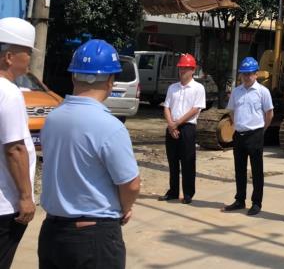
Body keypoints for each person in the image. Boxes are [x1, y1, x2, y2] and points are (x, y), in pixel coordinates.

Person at [38, 40, 141, 269]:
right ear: (111, 80)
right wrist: (125, 208)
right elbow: (131, 184)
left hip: (52, 233)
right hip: (93, 237)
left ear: (74, 77)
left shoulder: (52, 119)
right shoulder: (110, 126)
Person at [0, 18, 36, 269]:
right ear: (9, 57)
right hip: (4, 204)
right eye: (28, 52)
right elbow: (14, 148)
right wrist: (25, 197)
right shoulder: (9, 93)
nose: (30, 58)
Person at [222, 57, 273, 216]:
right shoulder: (236, 91)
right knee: (239, 169)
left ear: (256, 74)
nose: (247, 77)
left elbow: (269, 114)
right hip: (239, 134)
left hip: (255, 134)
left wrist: (262, 130)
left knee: (257, 170)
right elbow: (231, 111)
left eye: (250, 74)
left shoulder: (263, 92)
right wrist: (237, 125)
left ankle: (256, 203)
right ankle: (240, 200)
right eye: (244, 74)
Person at [158, 53, 205, 205]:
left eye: (186, 68)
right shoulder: (173, 88)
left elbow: (195, 109)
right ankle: (173, 191)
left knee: (187, 161)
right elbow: (167, 107)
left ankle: (188, 193)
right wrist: (171, 124)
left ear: (193, 70)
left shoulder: (198, 88)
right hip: (172, 126)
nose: (182, 71)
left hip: (187, 127)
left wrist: (177, 123)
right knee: (173, 161)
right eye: (181, 68)